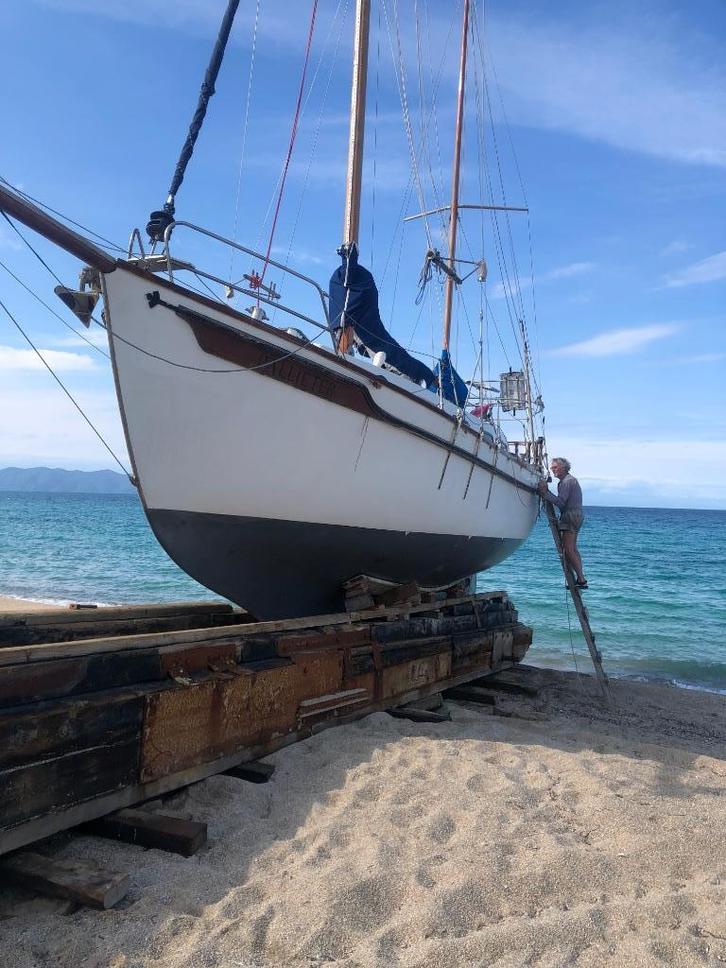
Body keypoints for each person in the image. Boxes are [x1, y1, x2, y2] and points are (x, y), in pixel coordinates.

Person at [538, 457, 588, 589]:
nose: (552, 470)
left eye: (555, 467)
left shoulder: (566, 482)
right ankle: (580, 578)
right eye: (552, 468)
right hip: (577, 515)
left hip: (570, 515)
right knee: (573, 548)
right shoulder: (570, 480)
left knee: (568, 549)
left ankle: (581, 580)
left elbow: (560, 502)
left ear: (563, 468)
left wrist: (545, 493)